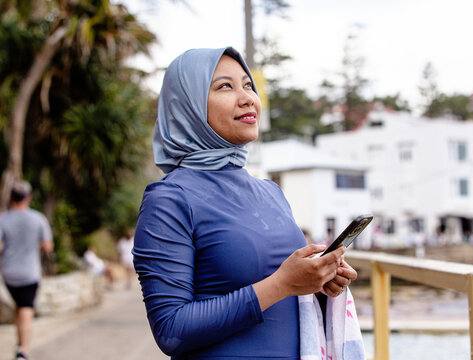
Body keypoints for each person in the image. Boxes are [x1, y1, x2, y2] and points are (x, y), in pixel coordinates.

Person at [133, 46, 357, 359]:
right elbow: (171, 329)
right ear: (187, 105)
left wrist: (319, 282)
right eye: (225, 86)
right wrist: (282, 284)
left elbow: (284, 295)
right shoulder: (169, 199)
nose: (247, 97)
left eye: (248, 85)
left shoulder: (271, 192)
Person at [0, 180, 53, 360]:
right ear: (28, 198)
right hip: (29, 272)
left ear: (10, 197)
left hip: (8, 273)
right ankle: (23, 351)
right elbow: (47, 246)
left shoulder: (2, 219)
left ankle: (18, 344)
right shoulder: (38, 219)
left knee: (19, 307)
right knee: (26, 310)